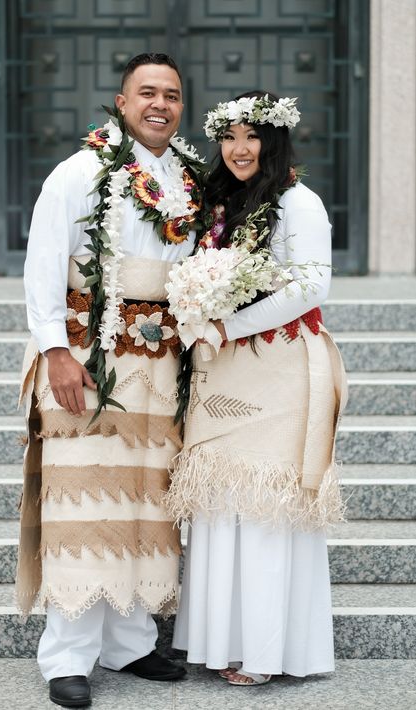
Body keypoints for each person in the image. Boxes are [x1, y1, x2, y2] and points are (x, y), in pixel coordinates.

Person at [16, 53, 205, 708]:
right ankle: (66, 657)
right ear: (121, 103)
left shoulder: (186, 183)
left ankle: (128, 642)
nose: (159, 103)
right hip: (87, 358)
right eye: (146, 92)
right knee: (86, 503)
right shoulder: (80, 173)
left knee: (141, 507)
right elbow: (44, 266)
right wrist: (56, 354)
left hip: (158, 366)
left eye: (172, 94)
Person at [165, 91, 348, 686]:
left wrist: (227, 323)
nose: (240, 150)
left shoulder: (300, 203)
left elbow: (311, 286)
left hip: (278, 365)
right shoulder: (220, 207)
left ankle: (267, 650)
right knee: (222, 504)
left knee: (266, 505)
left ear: (275, 142)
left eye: (253, 138)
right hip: (223, 368)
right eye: (230, 138)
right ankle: (223, 641)